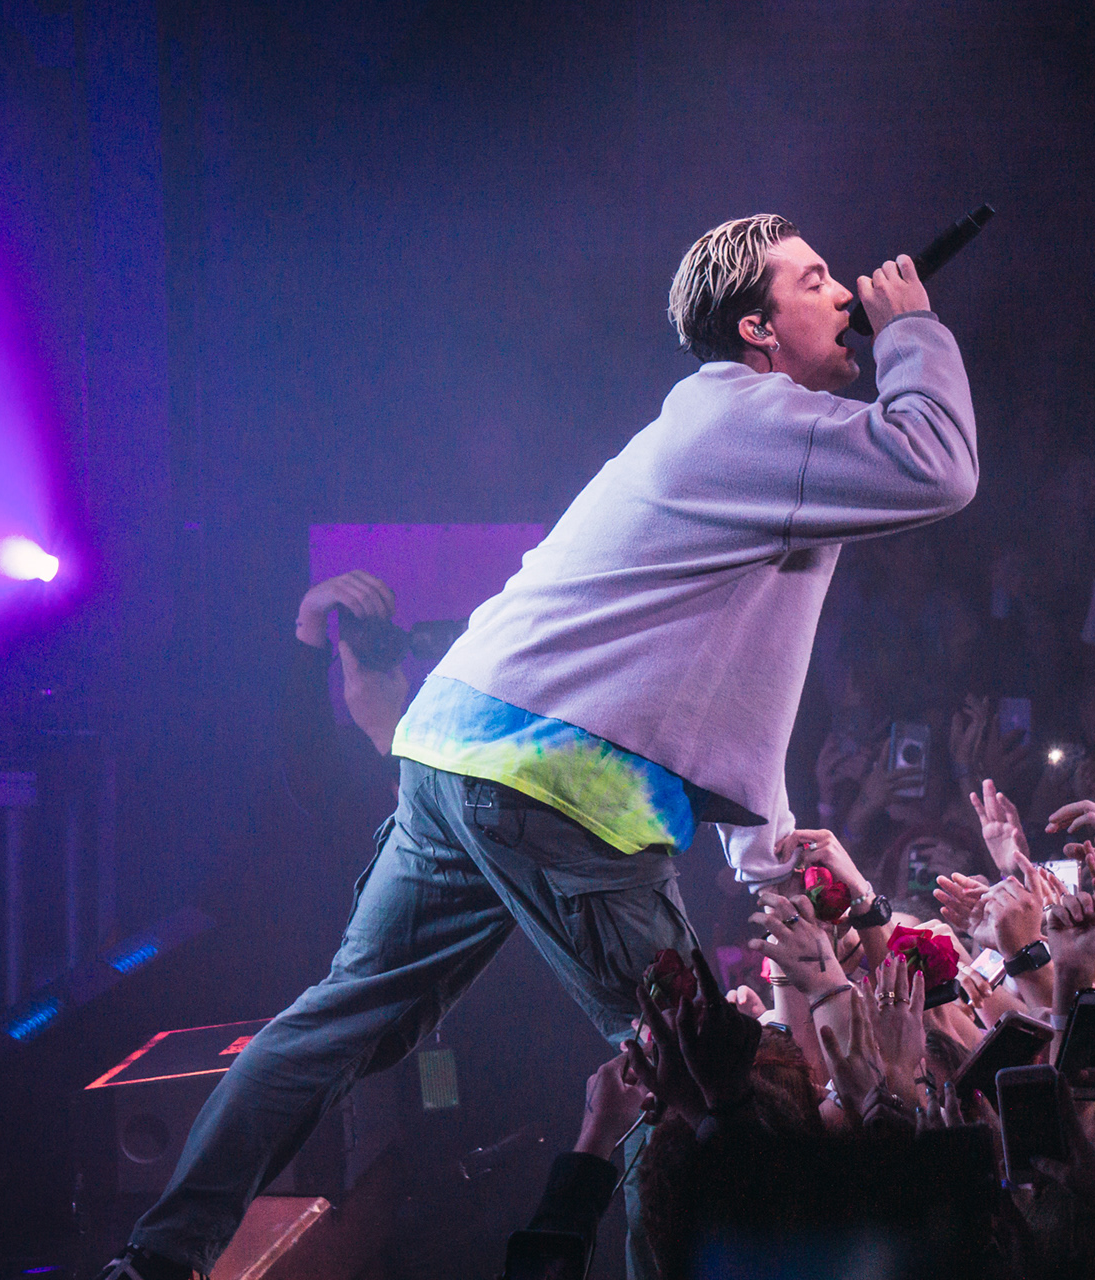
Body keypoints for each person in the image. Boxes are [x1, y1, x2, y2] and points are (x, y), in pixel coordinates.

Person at [95, 215, 978, 1280]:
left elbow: (745, 666)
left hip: (457, 749)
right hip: (560, 780)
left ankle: (157, 1260)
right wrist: (914, 330)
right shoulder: (763, 420)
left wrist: (766, 843)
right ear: (756, 327)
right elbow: (938, 467)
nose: (844, 294)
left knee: (340, 1022)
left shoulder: (735, 430)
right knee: (690, 1075)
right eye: (815, 279)